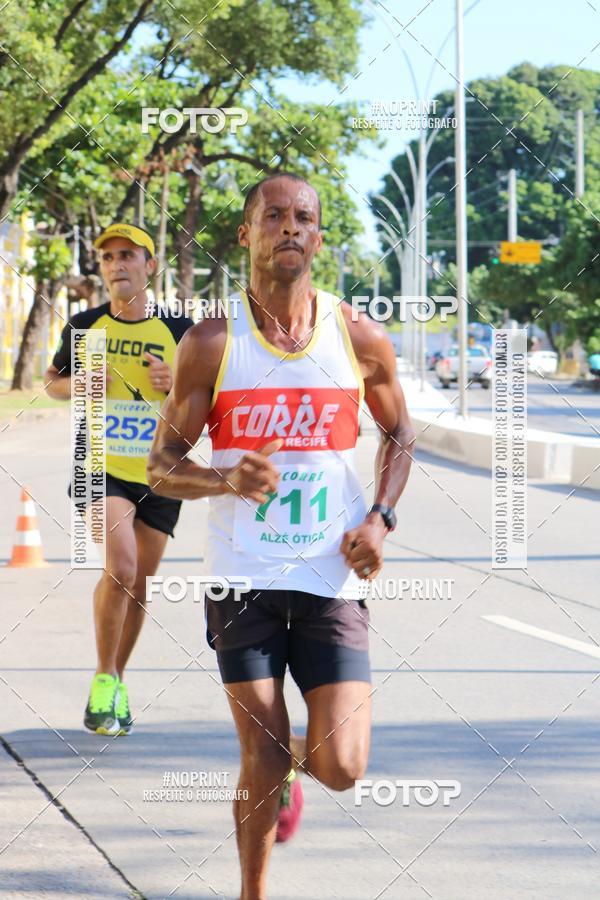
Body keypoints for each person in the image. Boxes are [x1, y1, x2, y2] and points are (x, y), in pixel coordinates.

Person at [147, 174, 415, 900]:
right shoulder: (211, 343)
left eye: (304, 218)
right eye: (274, 216)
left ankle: (301, 753)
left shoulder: (358, 338)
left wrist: (378, 518)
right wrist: (225, 481)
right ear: (247, 234)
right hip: (243, 579)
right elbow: (163, 468)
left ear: (319, 238)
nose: (289, 227)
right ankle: (253, 892)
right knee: (259, 759)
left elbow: (401, 435)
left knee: (343, 767)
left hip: (330, 579)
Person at [45, 222, 193, 735]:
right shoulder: (85, 326)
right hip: (100, 465)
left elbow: (205, 399)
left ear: (150, 266)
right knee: (122, 568)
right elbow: (52, 383)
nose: (116, 266)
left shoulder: (181, 331)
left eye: (127, 256)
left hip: (161, 472)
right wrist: (79, 383)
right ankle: (104, 676)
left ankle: (116, 680)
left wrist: (173, 386)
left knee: (139, 584)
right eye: (108, 258)